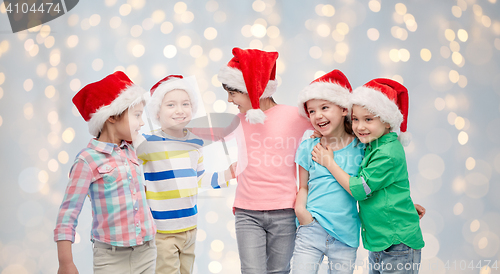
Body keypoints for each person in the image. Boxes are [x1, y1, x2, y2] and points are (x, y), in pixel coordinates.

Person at [192, 47, 312, 273]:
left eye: (233, 93)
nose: (229, 100)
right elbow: (202, 133)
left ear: (253, 90)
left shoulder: (294, 116)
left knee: (279, 271)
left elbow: (329, 127)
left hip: (285, 212)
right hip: (248, 214)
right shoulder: (237, 121)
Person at [311, 78, 425, 274]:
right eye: (355, 119)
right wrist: (327, 136)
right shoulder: (374, 143)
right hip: (382, 241)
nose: (360, 127)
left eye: (368, 119)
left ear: (388, 121)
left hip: (397, 244)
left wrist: (329, 162)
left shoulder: (387, 152)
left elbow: (360, 189)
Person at [54, 71, 157, 274]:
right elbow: (68, 213)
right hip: (110, 258)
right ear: (111, 116)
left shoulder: (134, 150)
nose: (142, 122)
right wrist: (65, 263)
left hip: (147, 251)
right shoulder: (87, 160)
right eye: (137, 115)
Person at [134, 75, 236, 274]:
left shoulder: (195, 142)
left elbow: (198, 178)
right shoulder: (147, 142)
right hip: (162, 230)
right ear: (157, 112)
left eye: (185, 104)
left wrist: (226, 174)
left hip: (189, 226)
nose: (180, 110)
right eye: (171, 105)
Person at [292, 70, 363, 274]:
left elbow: (372, 185)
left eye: (324, 107)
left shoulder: (361, 148)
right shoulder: (308, 147)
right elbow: (303, 186)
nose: (317, 115)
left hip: (345, 234)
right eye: (312, 111)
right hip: (311, 228)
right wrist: (301, 212)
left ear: (343, 109)